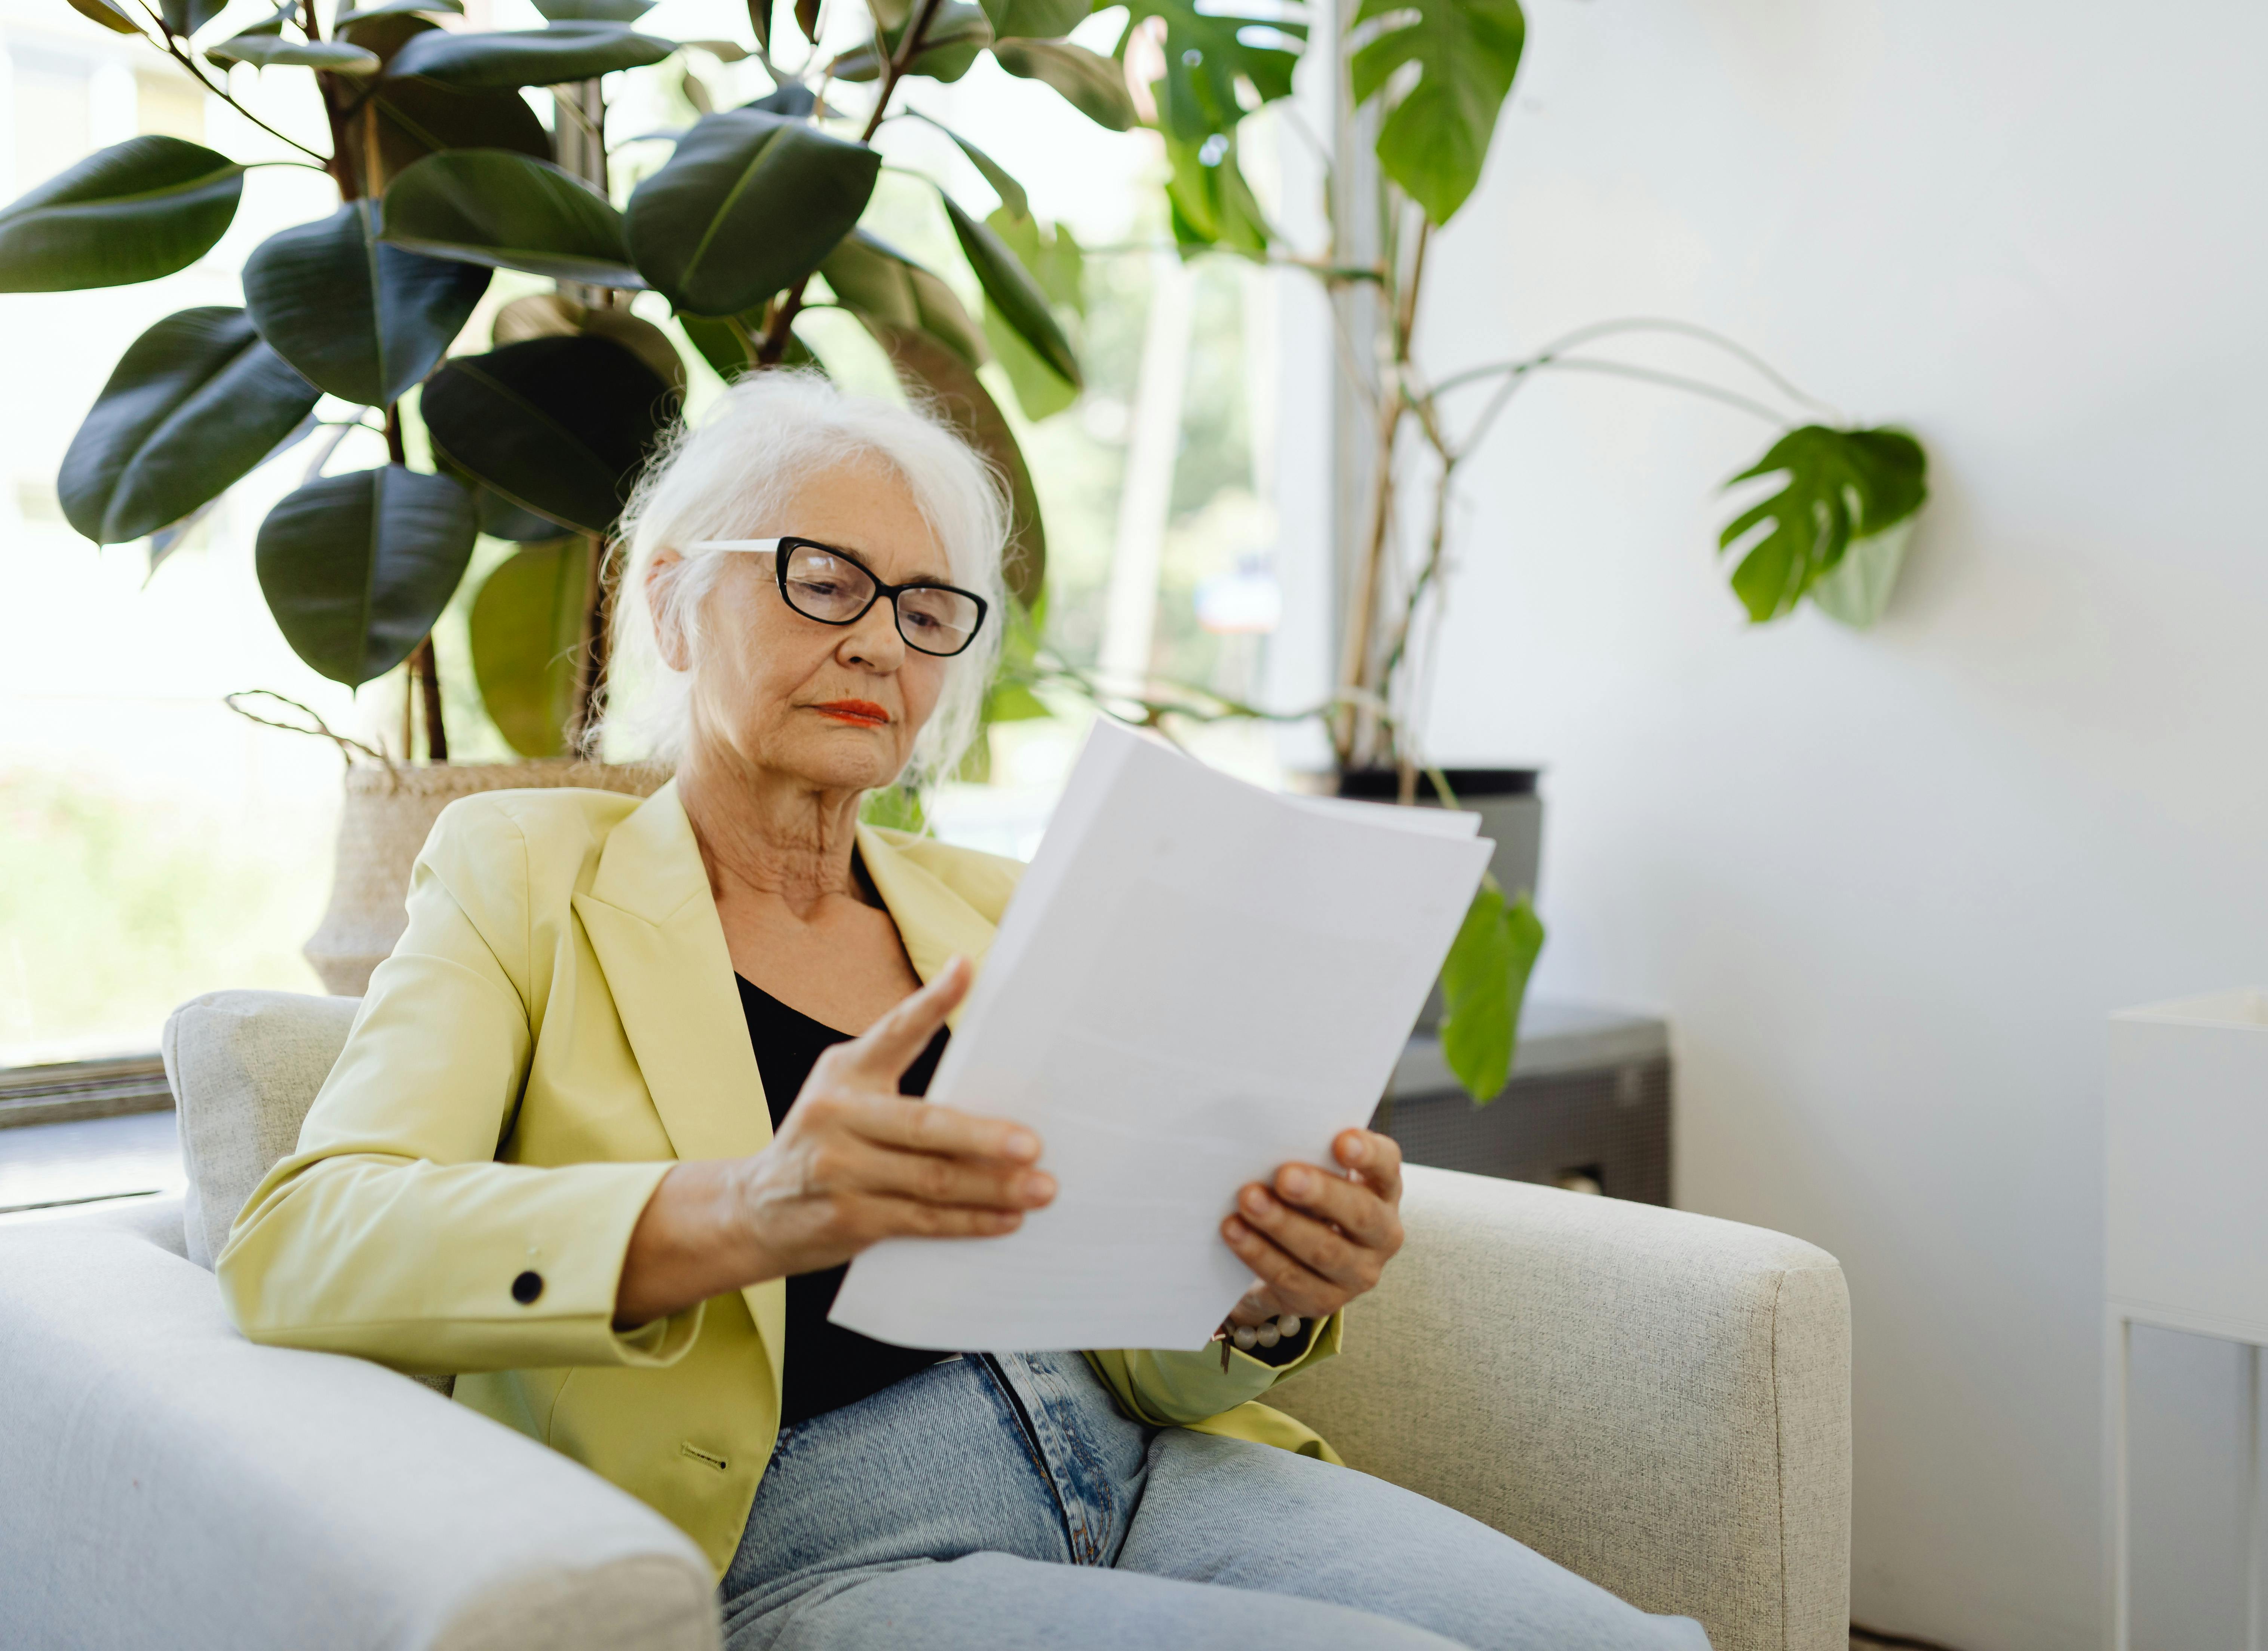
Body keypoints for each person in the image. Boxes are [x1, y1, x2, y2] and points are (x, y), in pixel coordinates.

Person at [218, 372, 1711, 1651]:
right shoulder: (520, 872)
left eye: (926, 608)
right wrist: (741, 1209)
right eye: (821, 579)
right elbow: (304, 1242)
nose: (879, 641)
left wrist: (1261, 1290)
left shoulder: (1001, 905)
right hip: (816, 1535)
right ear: (671, 601)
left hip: (1138, 1461)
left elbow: (1136, 1334)